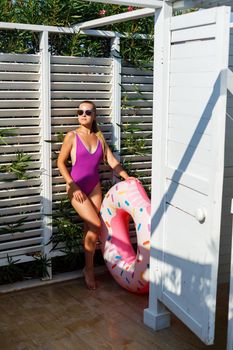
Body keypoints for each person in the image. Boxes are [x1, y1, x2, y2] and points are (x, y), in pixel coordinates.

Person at [57, 100, 140, 290]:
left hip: (94, 187)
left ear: (94, 115)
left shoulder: (99, 138)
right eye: (80, 112)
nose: (83, 115)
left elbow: (111, 161)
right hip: (76, 187)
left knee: (92, 228)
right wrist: (72, 185)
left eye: (88, 112)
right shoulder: (72, 136)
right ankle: (89, 270)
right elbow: (60, 163)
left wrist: (127, 177)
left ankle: (88, 267)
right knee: (95, 224)